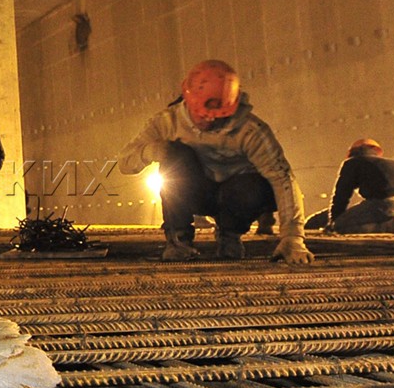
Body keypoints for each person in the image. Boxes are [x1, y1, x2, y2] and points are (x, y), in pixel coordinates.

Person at [117, 59, 314, 265]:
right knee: (173, 156)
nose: (209, 121)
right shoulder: (168, 122)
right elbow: (125, 162)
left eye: (218, 116)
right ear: (187, 98)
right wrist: (150, 151)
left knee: (257, 185)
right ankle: (179, 240)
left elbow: (282, 179)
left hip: (235, 197)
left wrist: (293, 237)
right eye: (201, 115)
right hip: (195, 191)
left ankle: (229, 234)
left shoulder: (251, 131)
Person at [328, 139, 394, 233]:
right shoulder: (393, 162)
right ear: (378, 152)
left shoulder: (352, 162)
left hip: (391, 205)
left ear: (351, 152)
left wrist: (333, 222)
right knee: (378, 217)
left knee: (341, 225)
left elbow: (341, 196)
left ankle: (390, 226)